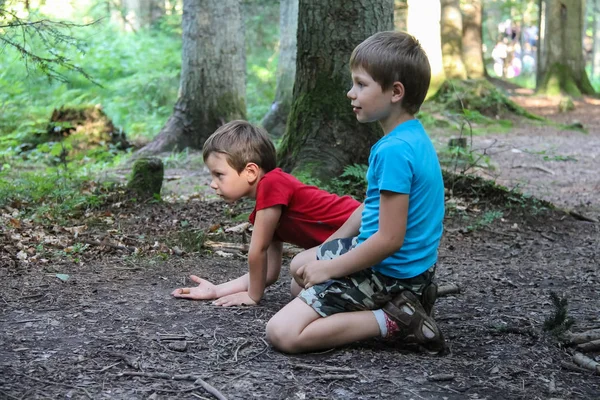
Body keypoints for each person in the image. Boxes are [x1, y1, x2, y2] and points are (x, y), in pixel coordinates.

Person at [266, 31, 446, 355]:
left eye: (361, 85)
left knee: (282, 332)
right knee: (299, 274)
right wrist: (328, 248)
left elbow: (390, 239)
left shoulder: (394, 151)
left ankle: (396, 321)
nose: (351, 93)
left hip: (390, 272)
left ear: (395, 92)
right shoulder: (411, 137)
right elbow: (371, 207)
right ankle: (405, 303)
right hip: (405, 268)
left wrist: (332, 267)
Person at [171, 120, 360, 306]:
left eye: (219, 174)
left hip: (363, 232)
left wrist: (253, 296)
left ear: (251, 172)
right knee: (298, 288)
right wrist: (217, 290)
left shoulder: (273, 183)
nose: (212, 184)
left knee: (299, 266)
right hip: (343, 250)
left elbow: (257, 250)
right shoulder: (269, 208)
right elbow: (268, 272)